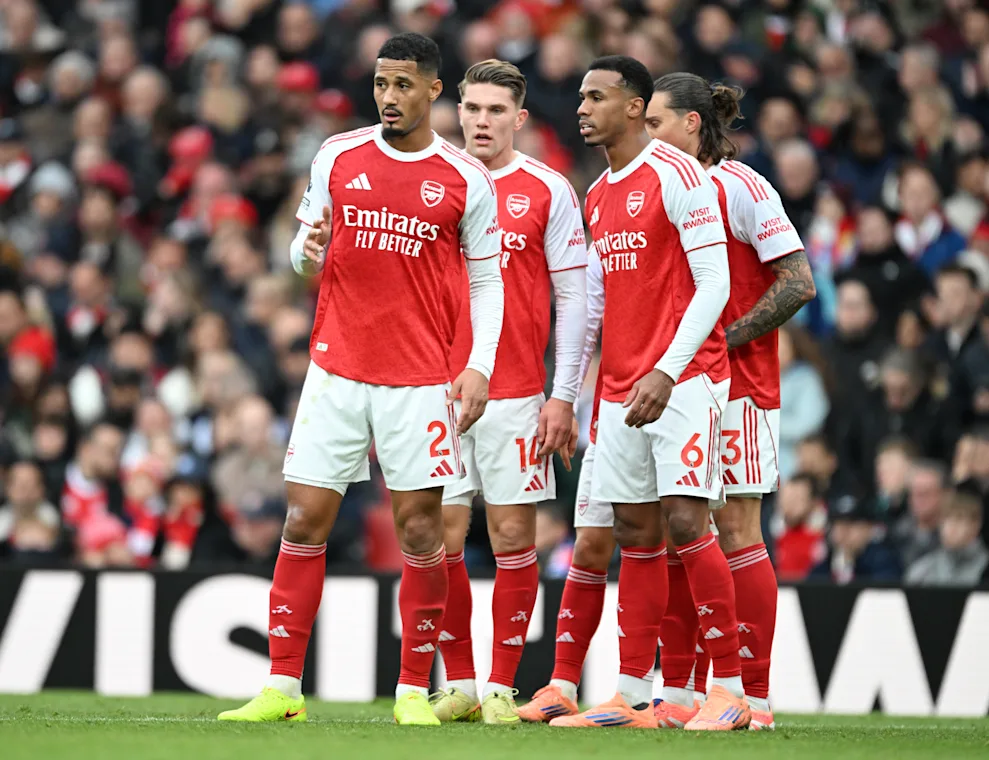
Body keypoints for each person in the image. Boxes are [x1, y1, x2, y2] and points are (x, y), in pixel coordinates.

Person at [218, 33, 505, 727]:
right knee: (303, 517)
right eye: (381, 83)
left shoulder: (465, 178)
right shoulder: (337, 155)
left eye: (404, 84)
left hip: (418, 378)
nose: (389, 96)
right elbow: (301, 251)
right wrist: (303, 256)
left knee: (419, 530)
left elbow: (488, 280)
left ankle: (411, 693)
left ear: (434, 90)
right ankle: (282, 688)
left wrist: (478, 366)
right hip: (336, 368)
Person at [551, 55, 746, 731]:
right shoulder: (598, 193)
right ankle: (633, 696)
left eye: (595, 97)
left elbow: (714, 283)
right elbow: (597, 302)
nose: (581, 107)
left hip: (685, 381)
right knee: (635, 532)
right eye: (580, 96)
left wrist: (665, 370)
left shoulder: (679, 175)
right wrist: (576, 393)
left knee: (689, 522)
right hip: (619, 390)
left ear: (634, 107)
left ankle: (727, 691)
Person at [641, 71, 814, 732]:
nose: (646, 135)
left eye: (655, 122)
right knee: (680, 529)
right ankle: (681, 694)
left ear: (690, 124)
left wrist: (727, 335)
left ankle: (754, 700)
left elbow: (797, 281)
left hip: (740, 387)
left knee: (735, 529)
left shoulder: (740, 186)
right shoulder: (655, 187)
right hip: (678, 386)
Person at [428, 59, 587, 725]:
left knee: (513, 534)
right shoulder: (429, 180)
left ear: (519, 119)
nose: (482, 121)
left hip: (517, 391)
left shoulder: (548, 190)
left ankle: (500, 686)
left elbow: (575, 296)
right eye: (473, 109)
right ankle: (460, 683)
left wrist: (563, 395)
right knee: (435, 536)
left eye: (497, 110)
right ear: (458, 111)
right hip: (431, 387)